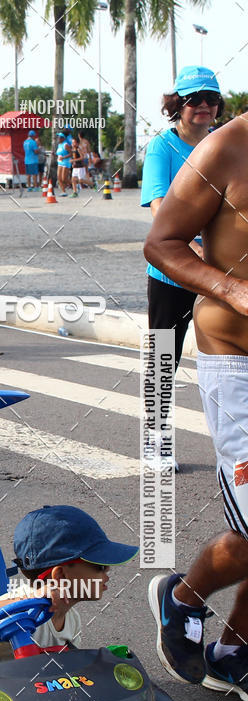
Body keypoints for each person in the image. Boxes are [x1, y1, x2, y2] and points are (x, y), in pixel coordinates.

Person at [143, 110, 248, 700]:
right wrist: (231, 288)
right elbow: (161, 241)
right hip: (237, 361)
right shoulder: (228, 146)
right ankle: (183, 597)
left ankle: (235, 652)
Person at [142, 66, 223, 472]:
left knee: (229, 358)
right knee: (164, 357)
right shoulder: (162, 146)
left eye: (211, 99)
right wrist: (193, 251)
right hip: (173, 271)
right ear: (177, 105)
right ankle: (155, 440)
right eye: (194, 99)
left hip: (223, 272)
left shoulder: (225, 143)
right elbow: (159, 205)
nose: (203, 106)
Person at [0, 505, 138, 670]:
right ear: (60, 575)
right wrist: (30, 599)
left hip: (8, 688)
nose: (108, 570)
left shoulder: (72, 620)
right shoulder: (23, 604)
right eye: (99, 566)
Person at [56, 132, 71, 196]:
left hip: (66, 162)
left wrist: (63, 157)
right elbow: (58, 154)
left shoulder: (66, 145)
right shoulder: (59, 145)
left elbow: (71, 153)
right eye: (58, 137)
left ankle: (74, 184)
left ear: (63, 138)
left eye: (59, 137)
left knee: (64, 178)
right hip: (60, 162)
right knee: (59, 177)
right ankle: (63, 191)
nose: (58, 139)